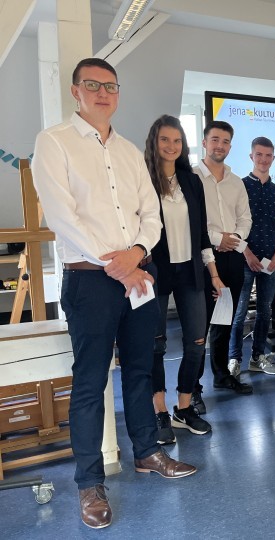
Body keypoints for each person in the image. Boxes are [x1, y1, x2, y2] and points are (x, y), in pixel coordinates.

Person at [31, 58, 195, 530]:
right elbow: (62, 217)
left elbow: (151, 215)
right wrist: (116, 264)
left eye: (111, 86)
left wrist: (138, 252)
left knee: (142, 370)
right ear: (76, 92)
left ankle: (146, 452)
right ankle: (89, 483)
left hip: (138, 277)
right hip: (90, 281)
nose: (103, 93)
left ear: (118, 93)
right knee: (89, 382)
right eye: (92, 85)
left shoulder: (127, 152)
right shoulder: (54, 142)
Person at [144, 115, 222, 444]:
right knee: (155, 345)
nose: (171, 146)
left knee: (196, 343)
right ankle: (160, 411)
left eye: (177, 141)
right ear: (155, 142)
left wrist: (214, 274)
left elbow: (202, 232)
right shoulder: (143, 180)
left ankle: (184, 407)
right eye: (165, 140)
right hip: (156, 271)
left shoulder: (191, 182)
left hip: (190, 270)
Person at [193, 121, 254, 412]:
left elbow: (246, 218)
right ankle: (191, 389)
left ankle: (221, 376)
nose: (220, 145)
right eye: (215, 139)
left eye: (226, 141)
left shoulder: (236, 181)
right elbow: (191, 220)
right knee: (198, 324)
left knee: (223, 320)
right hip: (200, 256)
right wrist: (218, 238)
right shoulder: (191, 177)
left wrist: (235, 239)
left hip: (231, 257)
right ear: (204, 142)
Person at [228, 137, 275, 376]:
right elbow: (232, 225)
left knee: (265, 310)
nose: (264, 159)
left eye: (268, 155)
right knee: (240, 311)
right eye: (259, 155)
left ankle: (258, 357)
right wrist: (247, 253)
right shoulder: (239, 186)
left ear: (273, 158)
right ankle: (233, 359)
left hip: (269, 261)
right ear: (251, 156)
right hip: (243, 259)